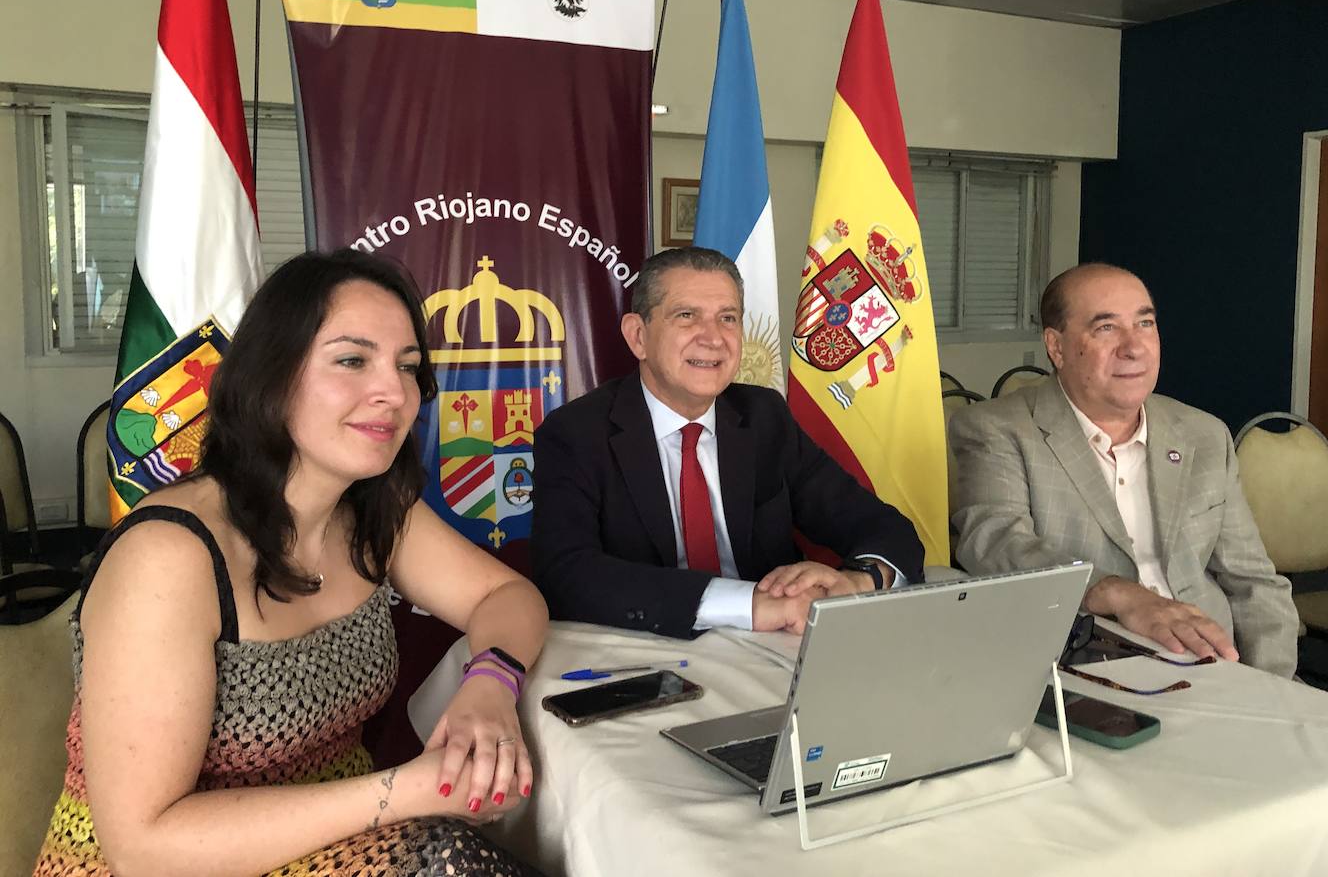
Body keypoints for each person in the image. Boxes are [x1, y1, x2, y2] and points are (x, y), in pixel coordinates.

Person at [35, 250, 548, 876]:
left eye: (408, 367)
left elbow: (506, 597)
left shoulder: (370, 511)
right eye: (353, 360)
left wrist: (491, 683)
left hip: (345, 842)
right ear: (272, 375)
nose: (394, 392)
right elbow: (144, 851)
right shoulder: (168, 557)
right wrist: (406, 793)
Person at [531, 247, 924, 640]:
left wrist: (858, 582)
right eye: (686, 316)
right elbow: (566, 573)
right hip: (649, 648)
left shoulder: (764, 417)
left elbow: (884, 527)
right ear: (638, 336)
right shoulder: (576, 433)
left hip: (775, 647)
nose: (713, 338)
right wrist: (748, 605)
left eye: (728, 318)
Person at [950, 262, 1298, 678]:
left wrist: (1276, 689)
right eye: (1106, 328)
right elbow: (994, 545)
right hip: (1088, 667)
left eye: (1145, 324)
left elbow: (1254, 582)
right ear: (1056, 348)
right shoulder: (998, 430)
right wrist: (1111, 591)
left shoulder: (1204, 435)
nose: (1134, 347)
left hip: (1216, 665)